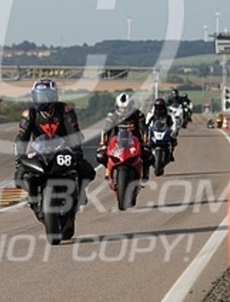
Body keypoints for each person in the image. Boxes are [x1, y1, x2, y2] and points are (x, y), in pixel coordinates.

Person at [13, 79, 96, 209]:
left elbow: (74, 133)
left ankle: (80, 191)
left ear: (54, 96)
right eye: (39, 96)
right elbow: (22, 138)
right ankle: (33, 197)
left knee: (87, 171)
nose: (42, 100)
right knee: (19, 177)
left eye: (46, 96)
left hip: (63, 150)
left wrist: (77, 152)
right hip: (39, 152)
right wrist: (20, 157)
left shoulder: (65, 110)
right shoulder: (30, 114)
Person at [96, 92, 152, 183]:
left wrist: (146, 142)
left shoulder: (138, 114)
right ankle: (107, 169)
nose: (124, 111)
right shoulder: (112, 115)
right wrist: (103, 143)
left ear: (131, 106)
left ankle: (145, 170)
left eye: (126, 108)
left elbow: (144, 129)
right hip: (117, 141)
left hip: (134, 141)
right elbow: (106, 130)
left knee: (148, 153)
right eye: (121, 108)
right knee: (101, 155)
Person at [146, 97, 178, 174]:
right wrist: (146, 129)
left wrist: (174, 130)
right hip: (154, 131)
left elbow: (174, 122)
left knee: (173, 140)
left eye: (161, 106)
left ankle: (171, 153)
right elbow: (147, 123)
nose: (159, 108)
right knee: (147, 145)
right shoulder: (152, 113)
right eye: (158, 106)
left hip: (166, 131)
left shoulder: (168, 114)